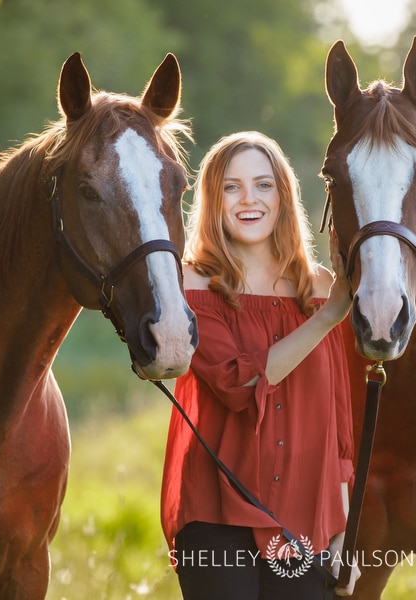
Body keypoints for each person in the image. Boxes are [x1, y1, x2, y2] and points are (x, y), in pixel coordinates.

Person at [160, 131, 359, 599]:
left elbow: (338, 421)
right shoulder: (191, 284)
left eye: (263, 185)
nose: (249, 199)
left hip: (307, 517)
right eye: (231, 187)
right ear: (213, 200)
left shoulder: (319, 285)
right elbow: (237, 381)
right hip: (217, 514)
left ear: (283, 195)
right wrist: (329, 317)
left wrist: (344, 528)